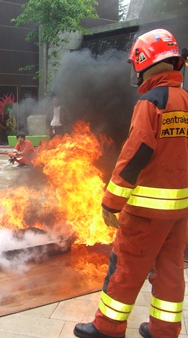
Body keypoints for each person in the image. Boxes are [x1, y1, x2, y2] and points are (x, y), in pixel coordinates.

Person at [74, 29, 188, 338]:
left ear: (143, 61)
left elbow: (135, 154)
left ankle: (107, 327)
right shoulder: (185, 101)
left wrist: (111, 201)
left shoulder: (152, 103)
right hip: (179, 212)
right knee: (170, 270)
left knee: (126, 267)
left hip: (145, 212)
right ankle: (165, 330)